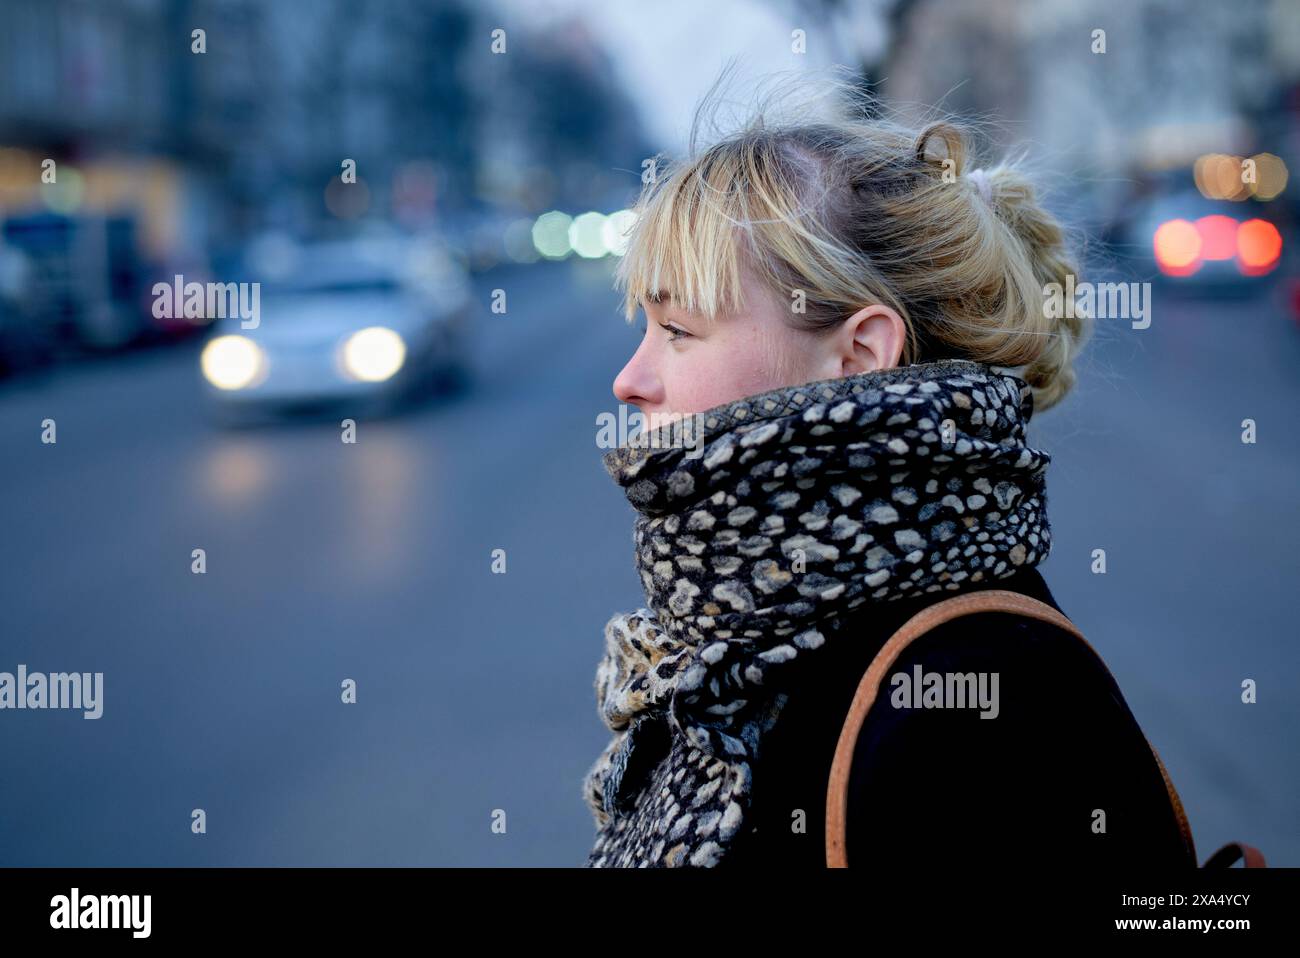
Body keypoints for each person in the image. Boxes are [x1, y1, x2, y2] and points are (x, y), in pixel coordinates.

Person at [580, 69, 1192, 869]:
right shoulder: (737, 650)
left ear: (859, 355)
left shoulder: (971, 700)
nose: (630, 380)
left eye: (678, 329)